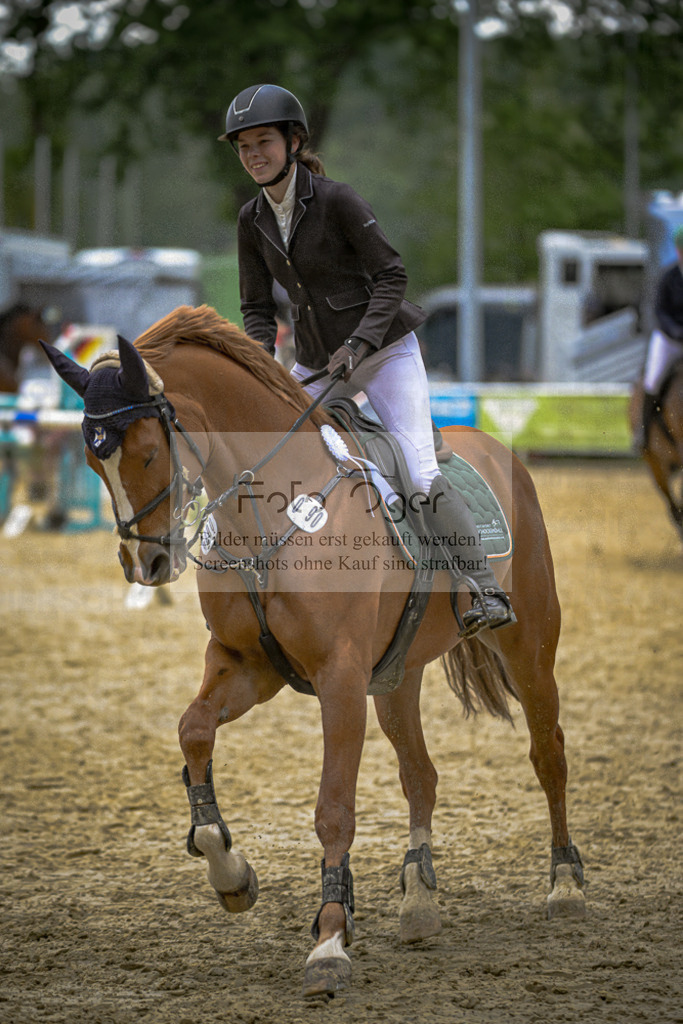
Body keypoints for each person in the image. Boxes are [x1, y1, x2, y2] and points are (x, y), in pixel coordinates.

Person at [219, 83, 514, 636]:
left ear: (293, 140)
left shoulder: (338, 201)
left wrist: (359, 345)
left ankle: (486, 587)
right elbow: (256, 307)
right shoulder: (250, 219)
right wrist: (259, 363)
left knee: (420, 472)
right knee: (269, 454)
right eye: (243, 147)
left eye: (263, 141)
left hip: (384, 353)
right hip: (314, 362)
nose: (253, 154)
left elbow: (392, 278)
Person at [638, 224, 683, 447]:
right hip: (669, 339)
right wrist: (675, 330)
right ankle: (642, 433)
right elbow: (660, 311)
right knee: (653, 380)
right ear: (678, 251)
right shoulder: (669, 278)